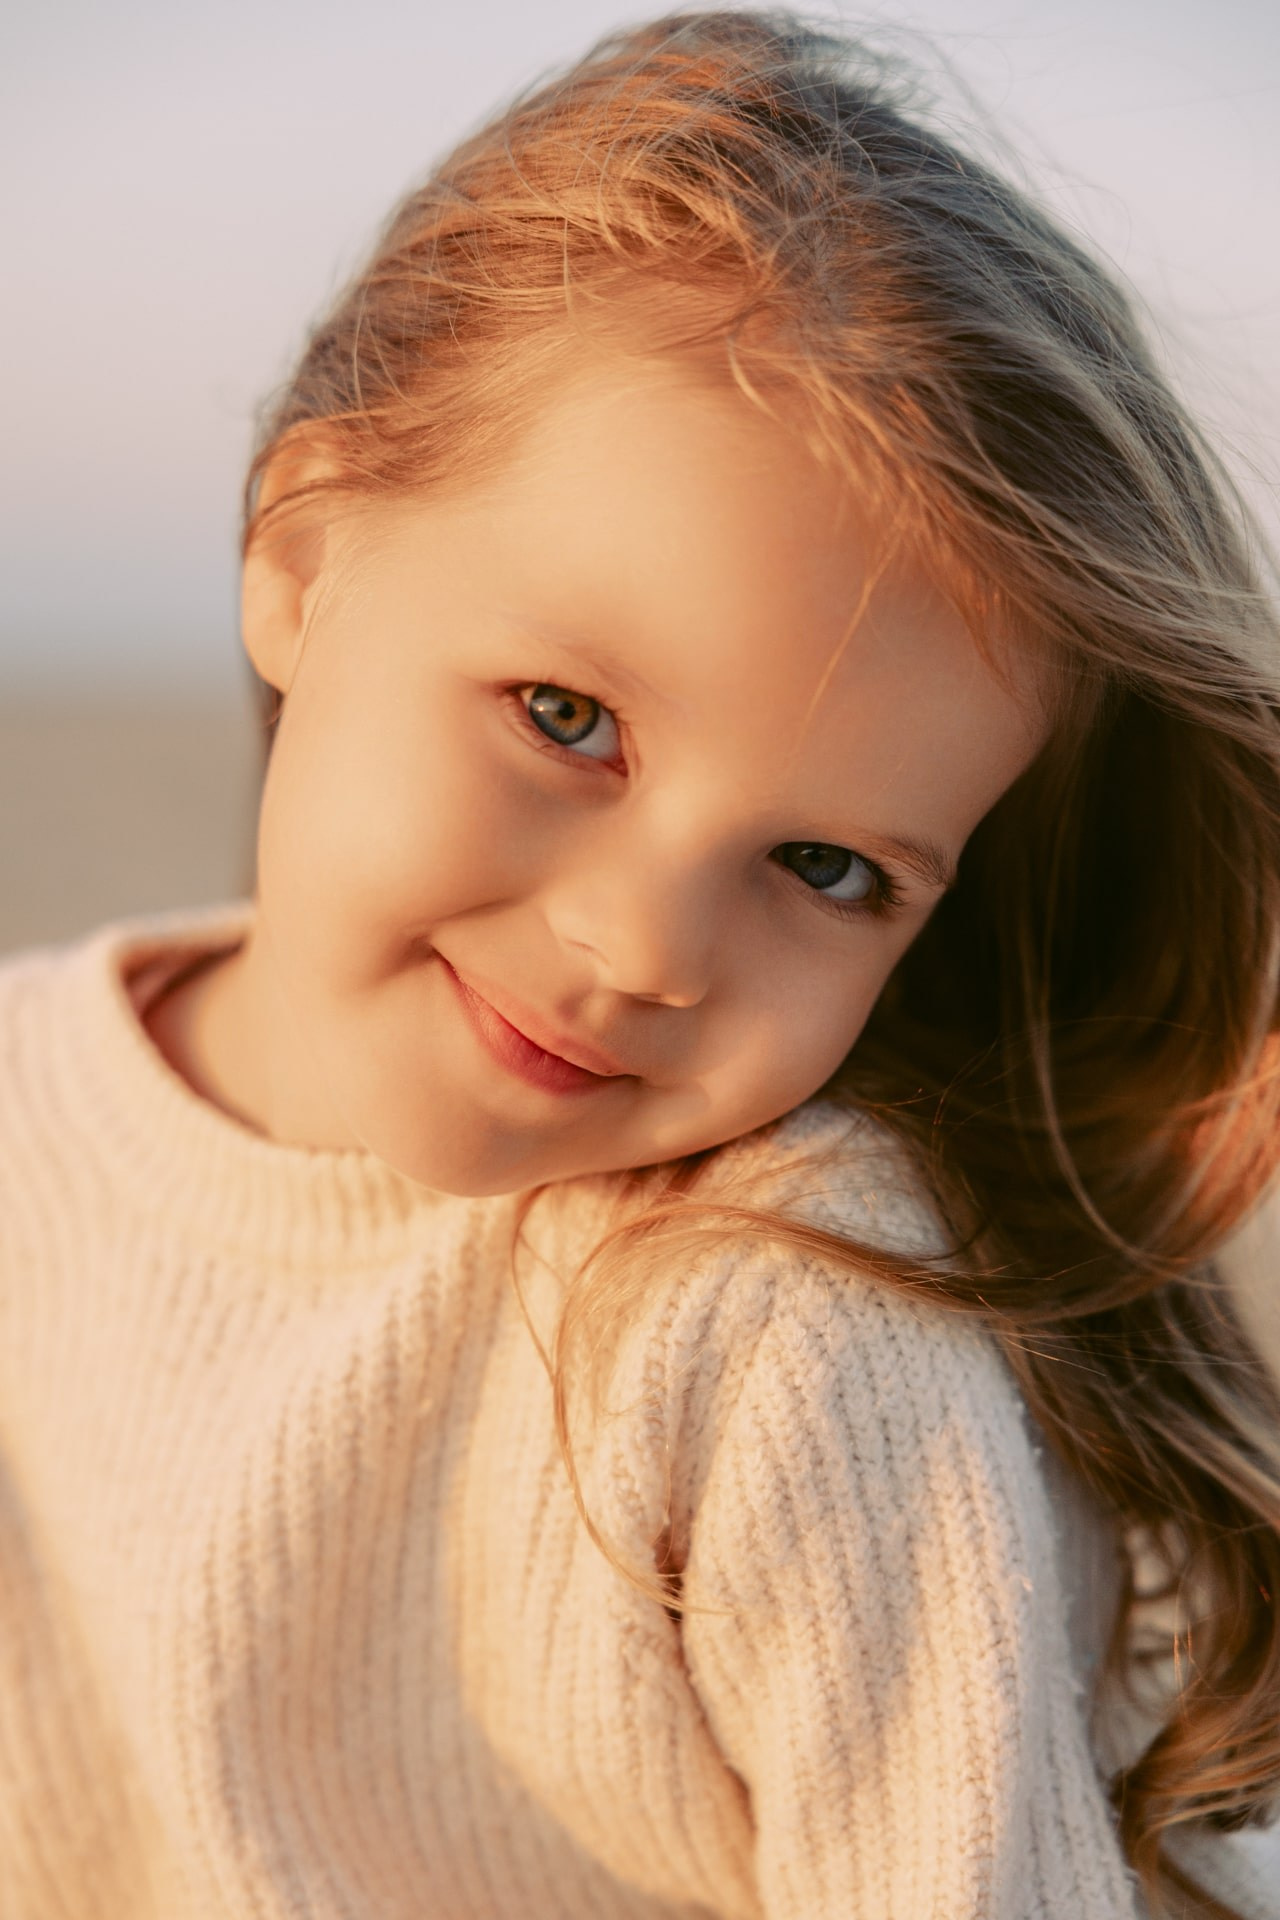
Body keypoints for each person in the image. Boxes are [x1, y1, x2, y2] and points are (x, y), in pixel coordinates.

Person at [2, 10, 1278, 1917]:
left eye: (829, 866)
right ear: (306, 555)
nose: (640, 947)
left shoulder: (782, 1325)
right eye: (564, 716)